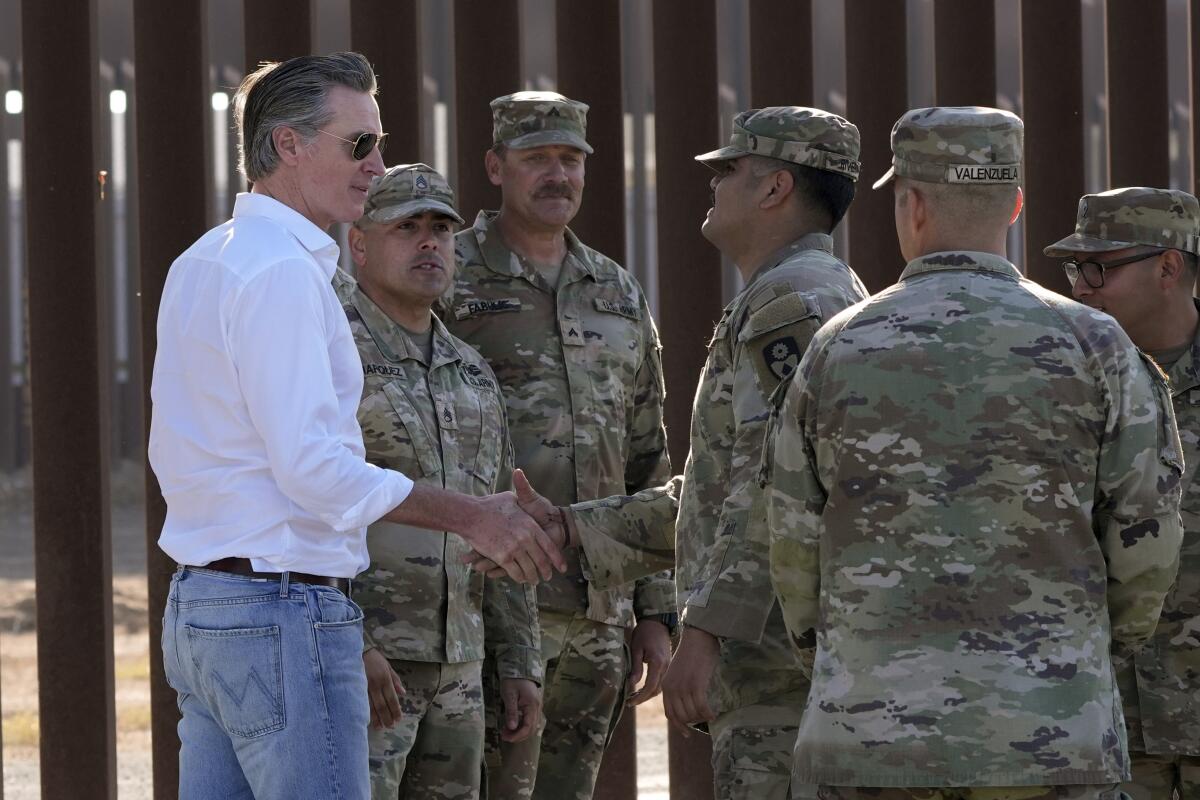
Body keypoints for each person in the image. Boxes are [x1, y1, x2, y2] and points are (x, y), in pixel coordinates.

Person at [150, 53, 563, 799]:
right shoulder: (281, 272)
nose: (378, 165)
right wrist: (472, 516)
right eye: (358, 145)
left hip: (207, 609)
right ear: (287, 146)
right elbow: (312, 470)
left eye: (378, 142)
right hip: (280, 610)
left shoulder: (205, 260)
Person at [765, 106, 1185, 799]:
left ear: (914, 204)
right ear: (1015, 204)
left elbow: (791, 544)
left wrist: (842, 656)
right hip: (1050, 740)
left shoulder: (836, 346)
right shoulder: (1098, 346)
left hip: (867, 742)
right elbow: (1147, 544)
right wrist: (1077, 653)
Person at [443, 90, 676, 799]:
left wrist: (657, 611)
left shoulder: (615, 291)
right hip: (487, 605)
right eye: (536, 158)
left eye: (571, 159)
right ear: (495, 165)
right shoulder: (448, 274)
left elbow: (648, 454)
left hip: (598, 613)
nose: (558, 175)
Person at [658, 106, 868, 800]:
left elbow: (775, 482)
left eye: (727, 171)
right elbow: (716, 490)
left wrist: (707, 628)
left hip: (778, 664)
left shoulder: (793, 298)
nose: (712, 185)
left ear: (775, 188)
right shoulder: (799, 291)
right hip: (781, 656)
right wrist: (574, 529)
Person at [335, 163, 543, 799]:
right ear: (360, 244)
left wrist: (519, 662)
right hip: (370, 664)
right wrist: (350, 643)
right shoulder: (330, 347)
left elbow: (504, 518)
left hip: (460, 664)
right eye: (408, 228)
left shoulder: (471, 371)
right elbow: (305, 502)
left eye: (441, 230)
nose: (429, 243)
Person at [1046, 186, 1200, 800]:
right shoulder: (1058, 382)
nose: (1080, 286)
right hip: (1107, 732)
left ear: (1168, 267)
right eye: (1073, 268)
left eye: (1100, 268)